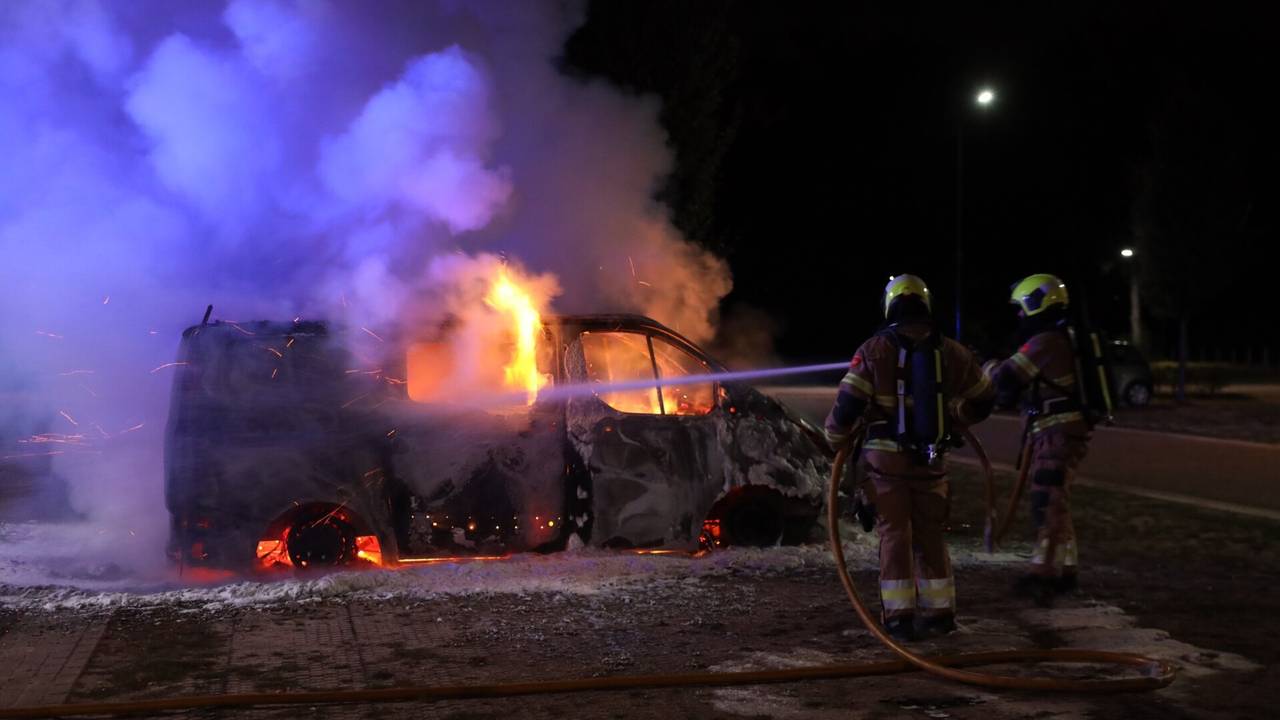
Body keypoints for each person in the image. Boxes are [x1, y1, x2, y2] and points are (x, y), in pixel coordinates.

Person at [825, 274, 995, 641]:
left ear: (890, 305)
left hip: (887, 468)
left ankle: (899, 618)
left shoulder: (874, 350)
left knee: (894, 535)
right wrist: (956, 418)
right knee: (931, 535)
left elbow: (848, 404)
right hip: (932, 465)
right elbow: (985, 397)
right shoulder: (952, 351)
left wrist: (833, 439)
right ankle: (940, 614)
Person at [984, 273, 1090, 606]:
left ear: (1035, 303)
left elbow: (1007, 377)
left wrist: (985, 368)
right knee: (1058, 500)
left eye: (1021, 308)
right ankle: (1066, 569)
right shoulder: (1061, 338)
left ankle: (1042, 575)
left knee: (1047, 502)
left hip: (1056, 434)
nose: (1019, 315)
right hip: (1058, 432)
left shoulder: (1045, 342)